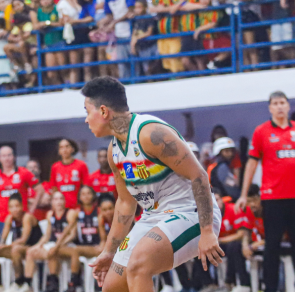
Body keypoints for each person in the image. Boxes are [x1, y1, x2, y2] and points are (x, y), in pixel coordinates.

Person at [80, 77, 222, 291]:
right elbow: (126, 204)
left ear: (103, 111)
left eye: (86, 111)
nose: (85, 120)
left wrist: (208, 231)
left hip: (190, 213)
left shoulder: (151, 134)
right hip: (153, 216)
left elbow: (199, 176)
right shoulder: (114, 151)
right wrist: (109, 251)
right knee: (112, 287)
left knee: (139, 266)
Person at [235, 91, 295, 292]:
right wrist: (244, 194)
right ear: (270, 108)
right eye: (275, 103)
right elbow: (252, 163)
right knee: (272, 246)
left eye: (283, 103)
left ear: (288, 106)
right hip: (273, 198)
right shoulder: (261, 131)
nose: (279, 106)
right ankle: (269, 288)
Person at [23, 192, 80, 290]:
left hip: (67, 244)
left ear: (64, 201)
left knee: (53, 251)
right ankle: (28, 285)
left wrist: (58, 245)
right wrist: (38, 245)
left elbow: (72, 235)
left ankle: (54, 281)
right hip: (53, 244)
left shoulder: (70, 213)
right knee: (30, 252)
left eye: (61, 199)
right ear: (52, 202)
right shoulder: (50, 214)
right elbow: (47, 235)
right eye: (56, 199)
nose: (58, 202)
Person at [0, 145, 43, 230]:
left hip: (21, 217)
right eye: (4, 156)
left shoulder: (23, 172)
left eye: (9, 155)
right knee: (4, 242)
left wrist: (32, 209)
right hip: (2, 217)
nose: (7, 158)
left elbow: (40, 189)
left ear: (14, 157)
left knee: (23, 242)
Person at [51, 139, 90, 209]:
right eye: (61, 147)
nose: (64, 150)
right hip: (61, 208)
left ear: (72, 149)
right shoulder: (55, 167)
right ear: (59, 151)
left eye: (67, 146)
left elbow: (86, 187)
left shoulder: (81, 165)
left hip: (77, 207)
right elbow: (54, 189)